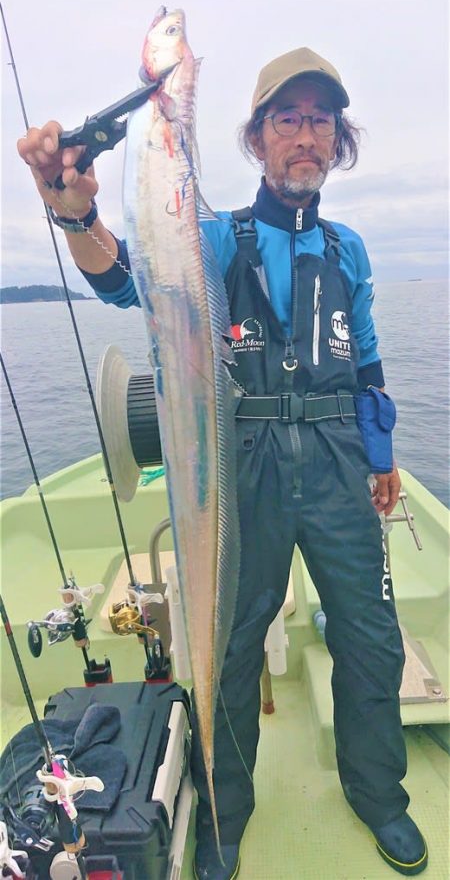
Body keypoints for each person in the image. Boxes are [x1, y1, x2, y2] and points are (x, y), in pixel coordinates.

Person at [18, 47, 428, 879]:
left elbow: (371, 367)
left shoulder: (350, 252)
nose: (305, 136)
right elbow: (128, 282)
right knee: (233, 646)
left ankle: (379, 796)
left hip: (341, 465)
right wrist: (73, 217)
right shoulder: (208, 236)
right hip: (246, 470)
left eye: (320, 120)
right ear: (258, 139)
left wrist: (382, 459)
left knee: (373, 640)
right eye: (288, 119)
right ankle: (224, 813)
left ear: (337, 141)